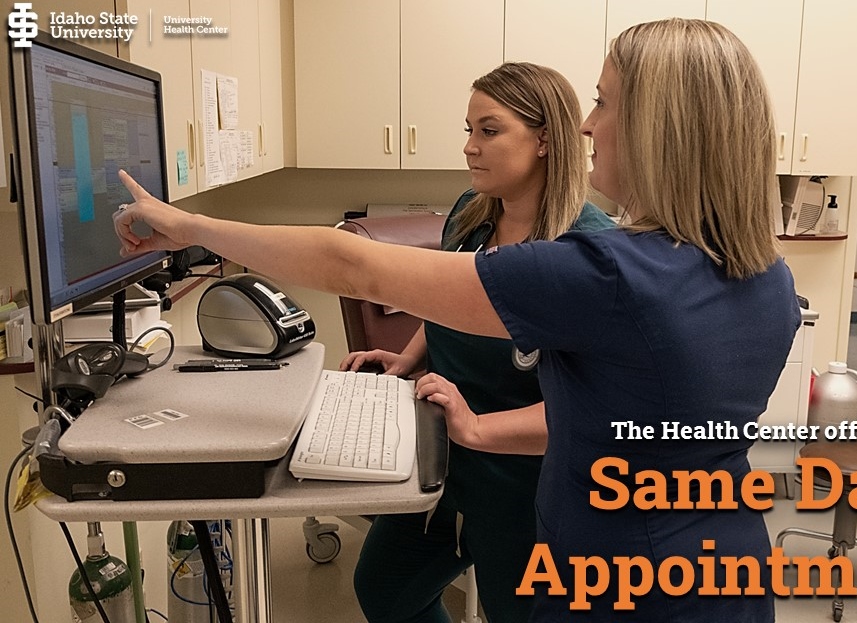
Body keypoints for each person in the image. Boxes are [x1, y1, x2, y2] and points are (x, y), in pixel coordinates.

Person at [113, 18, 799, 622]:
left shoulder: (605, 272)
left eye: (604, 101)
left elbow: (354, 266)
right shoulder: (767, 277)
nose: (588, 124)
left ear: (660, 127)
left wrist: (189, 225)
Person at [343, 62, 614, 623]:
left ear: (544, 139)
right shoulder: (470, 216)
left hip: (526, 483)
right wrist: (410, 357)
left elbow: (598, 407)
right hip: (442, 456)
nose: (469, 147)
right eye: (468, 130)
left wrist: (478, 427)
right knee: (384, 592)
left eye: (488, 131)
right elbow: (455, 303)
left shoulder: (591, 254)